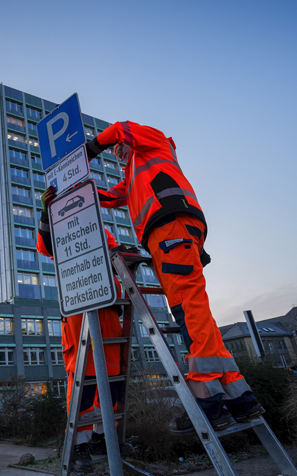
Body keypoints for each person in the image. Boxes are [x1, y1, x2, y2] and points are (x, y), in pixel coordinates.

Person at [84, 120, 264, 433]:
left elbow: (121, 127)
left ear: (130, 143)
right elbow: (111, 196)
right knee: (197, 311)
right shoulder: (135, 174)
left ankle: (206, 394)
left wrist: (90, 149)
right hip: (175, 232)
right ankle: (239, 396)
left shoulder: (154, 143)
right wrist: (78, 195)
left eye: (119, 149)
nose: (119, 155)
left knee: (187, 307)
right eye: (115, 154)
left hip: (171, 228)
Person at [37, 187, 132, 473]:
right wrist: (47, 212)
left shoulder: (99, 230)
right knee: (84, 389)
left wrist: (123, 253)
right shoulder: (65, 231)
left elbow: (116, 253)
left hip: (109, 320)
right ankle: (80, 446)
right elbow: (45, 246)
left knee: (113, 386)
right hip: (81, 320)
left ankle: (105, 439)